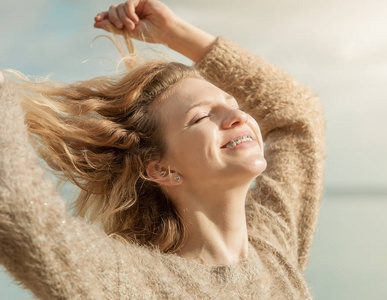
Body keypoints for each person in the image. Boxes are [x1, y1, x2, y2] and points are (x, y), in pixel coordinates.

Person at [0, 0, 326, 298]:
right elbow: (25, 219)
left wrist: (174, 33)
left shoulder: (273, 244)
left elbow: (297, 116)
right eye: (200, 117)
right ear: (161, 168)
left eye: (232, 103)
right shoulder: (138, 280)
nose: (237, 117)